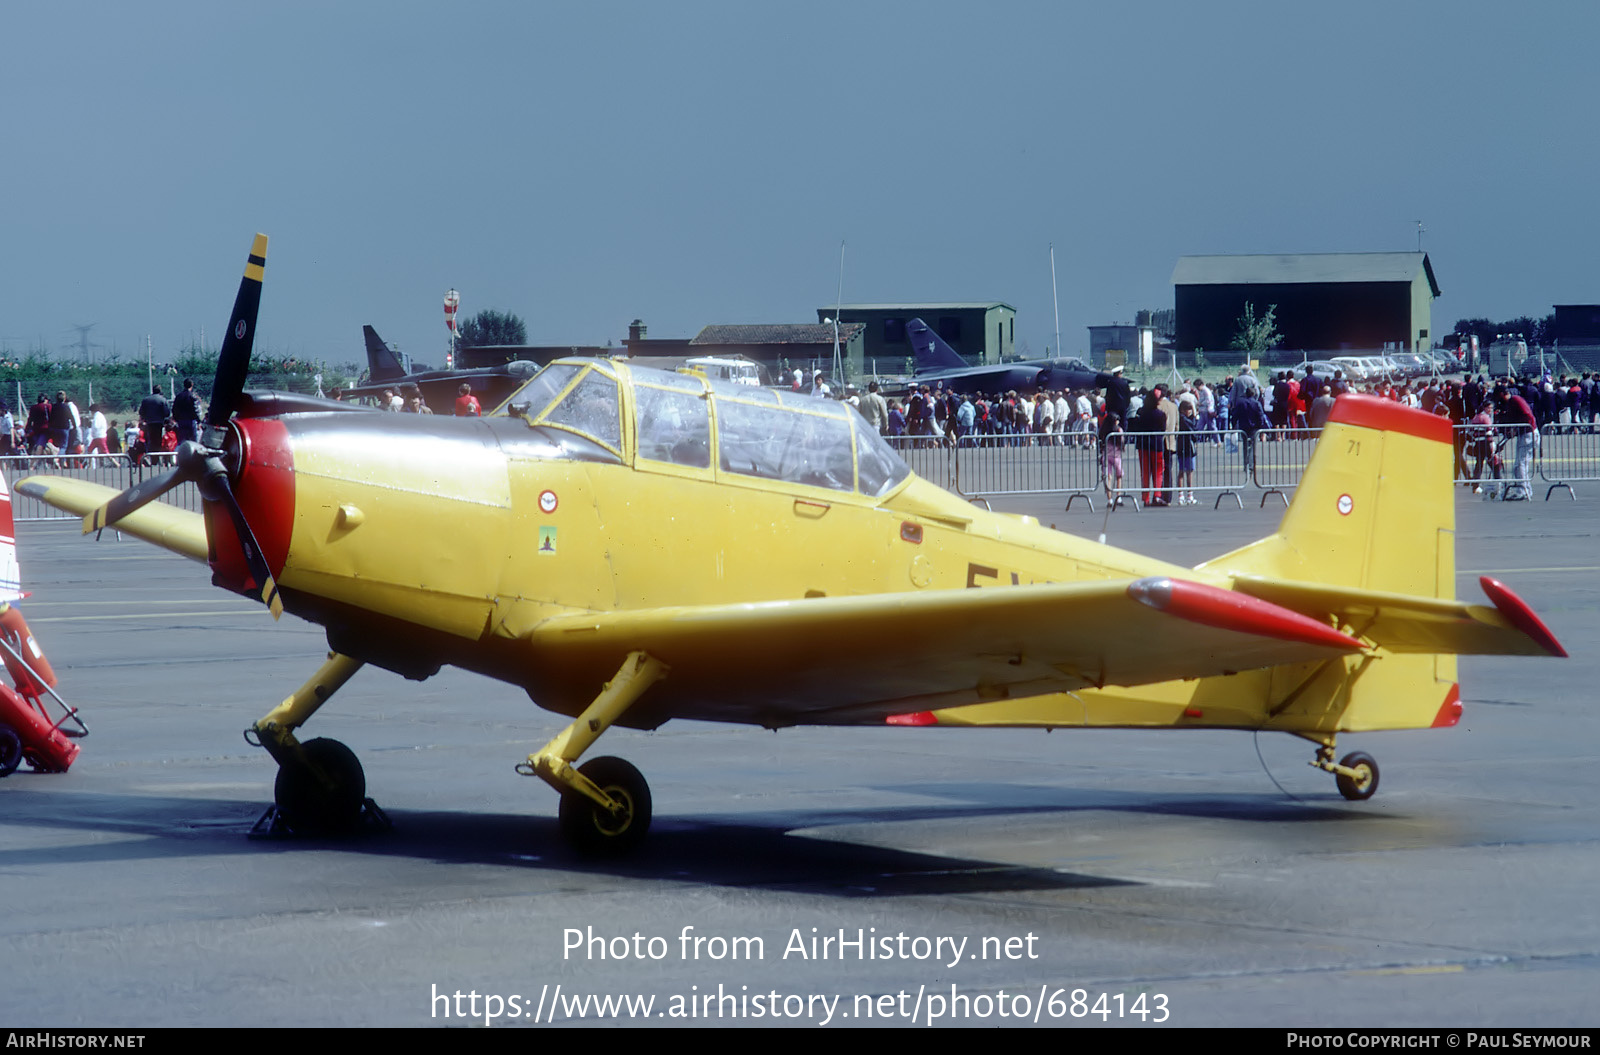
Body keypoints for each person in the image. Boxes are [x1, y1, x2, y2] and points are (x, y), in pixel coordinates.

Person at [138, 386, 171, 456]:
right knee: (158, 440)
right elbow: (167, 413)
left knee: (150, 440)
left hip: (149, 423)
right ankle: (157, 456)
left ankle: (150, 455)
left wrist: (146, 417)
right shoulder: (163, 400)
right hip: (159, 423)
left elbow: (141, 412)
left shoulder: (146, 400)